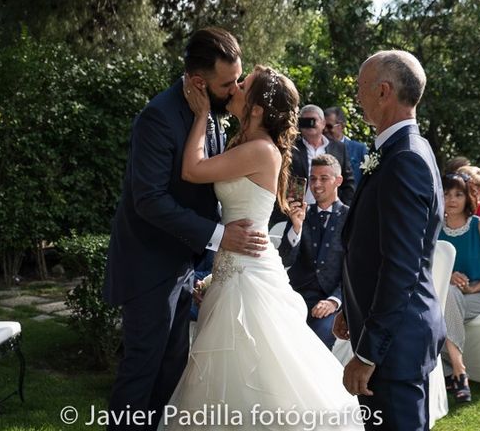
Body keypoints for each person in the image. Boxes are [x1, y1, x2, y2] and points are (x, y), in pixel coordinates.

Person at [163, 66, 362, 430]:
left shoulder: (260, 149)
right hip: (230, 263)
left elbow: (192, 169)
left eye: (244, 85)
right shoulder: (242, 142)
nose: (235, 87)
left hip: (247, 271)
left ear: (256, 108)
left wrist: (202, 112)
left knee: (255, 365)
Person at [102, 27, 268, 431]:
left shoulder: (206, 112)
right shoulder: (158, 117)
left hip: (180, 264)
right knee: (142, 370)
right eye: (227, 83)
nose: (234, 90)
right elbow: (150, 200)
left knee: (172, 369)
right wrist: (218, 236)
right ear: (198, 82)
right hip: (148, 268)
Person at [336, 50, 446, 430]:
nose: (357, 97)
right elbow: (371, 245)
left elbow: (401, 266)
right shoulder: (403, 150)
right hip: (388, 331)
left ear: (384, 91)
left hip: (394, 344)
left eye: (361, 88)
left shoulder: (405, 159)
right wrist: (350, 309)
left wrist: (367, 353)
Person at [438, 173, 480, 403]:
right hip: (450, 298)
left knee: (442, 306)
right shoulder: (435, 229)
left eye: (458, 194)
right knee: (449, 294)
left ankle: (452, 371)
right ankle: (459, 369)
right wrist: (447, 276)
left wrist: (474, 289)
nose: (452, 200)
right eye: (446, 194)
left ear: (468, 197)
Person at [279, 154, 348, 350]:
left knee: (317, 340)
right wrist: (296, 227)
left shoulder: (352, 218)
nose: (316, 184)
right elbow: (284, 259)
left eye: (324, 178)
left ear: (338, 181)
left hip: (330, 300)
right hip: (295, 297)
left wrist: (334, 302)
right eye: (313, 178)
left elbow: (356, 271)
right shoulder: (301, 214)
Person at [293, 104, 355, 205]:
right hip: (298, 212)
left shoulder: (339, 148)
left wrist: (345, 211)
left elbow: (348, 183)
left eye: (312, 121)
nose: (309, 125)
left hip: (331, 214)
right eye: (305, 122)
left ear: (323, 123)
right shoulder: (291, 149)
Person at [324, 106, 368, 186]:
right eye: (323, 126)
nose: (325, 130)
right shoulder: (319, 148)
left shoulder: (359, 149)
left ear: (341, 126)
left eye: (329, 126)